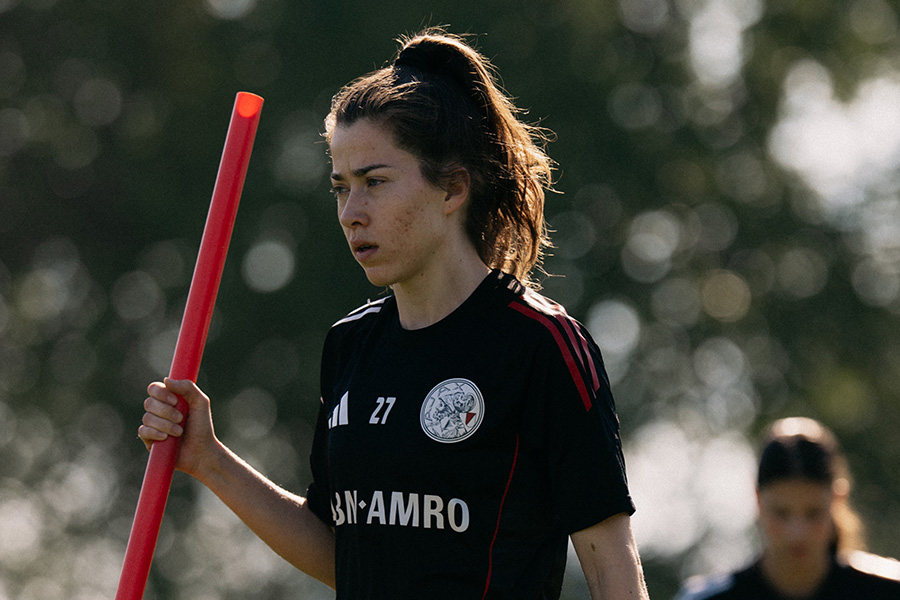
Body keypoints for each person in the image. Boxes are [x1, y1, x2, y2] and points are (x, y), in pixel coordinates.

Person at [139, 28, 649, 599]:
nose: (351, 213)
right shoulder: (350, 346)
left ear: (452, 188)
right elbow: (345, 553)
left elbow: (612, 570)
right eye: (340, 188)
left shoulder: (541, 345)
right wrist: (209, 461)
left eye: (375, 183)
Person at [674, 416, 900, 600]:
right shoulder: (705, 599)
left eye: (813, 513)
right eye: (781, 513)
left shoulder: (890, 590)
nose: (797, 532)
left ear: (838, 500)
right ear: (757, 500)